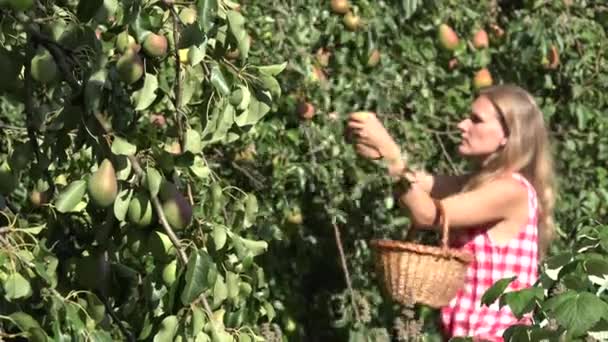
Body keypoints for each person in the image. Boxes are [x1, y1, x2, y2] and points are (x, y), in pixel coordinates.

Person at [346, 84, 556, 341]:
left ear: (507, 135)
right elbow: (416, 182)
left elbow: (427, 214)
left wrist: (390, 154)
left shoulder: (512, 191)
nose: (462, 125)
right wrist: (380, 156)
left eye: (476, 120)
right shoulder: (475, 184)